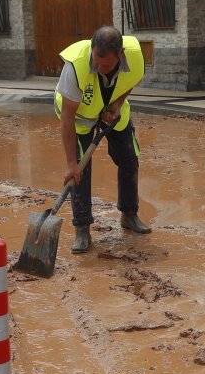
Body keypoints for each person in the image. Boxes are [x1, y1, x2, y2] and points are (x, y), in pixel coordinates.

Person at [55, 25, 151, 254]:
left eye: (105, 65)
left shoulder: (135, 57)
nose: (98, 68)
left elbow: (131, 80)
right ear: (92, 48)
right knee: (81, 172)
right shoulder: (76, 66)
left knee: (129, 158)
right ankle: (82, 228)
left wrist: (117, 103)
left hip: (112, 110)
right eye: (96, 61)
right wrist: (71, 164)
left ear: (121, 55)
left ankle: (129, 214)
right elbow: (67, 118)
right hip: (79, 117)